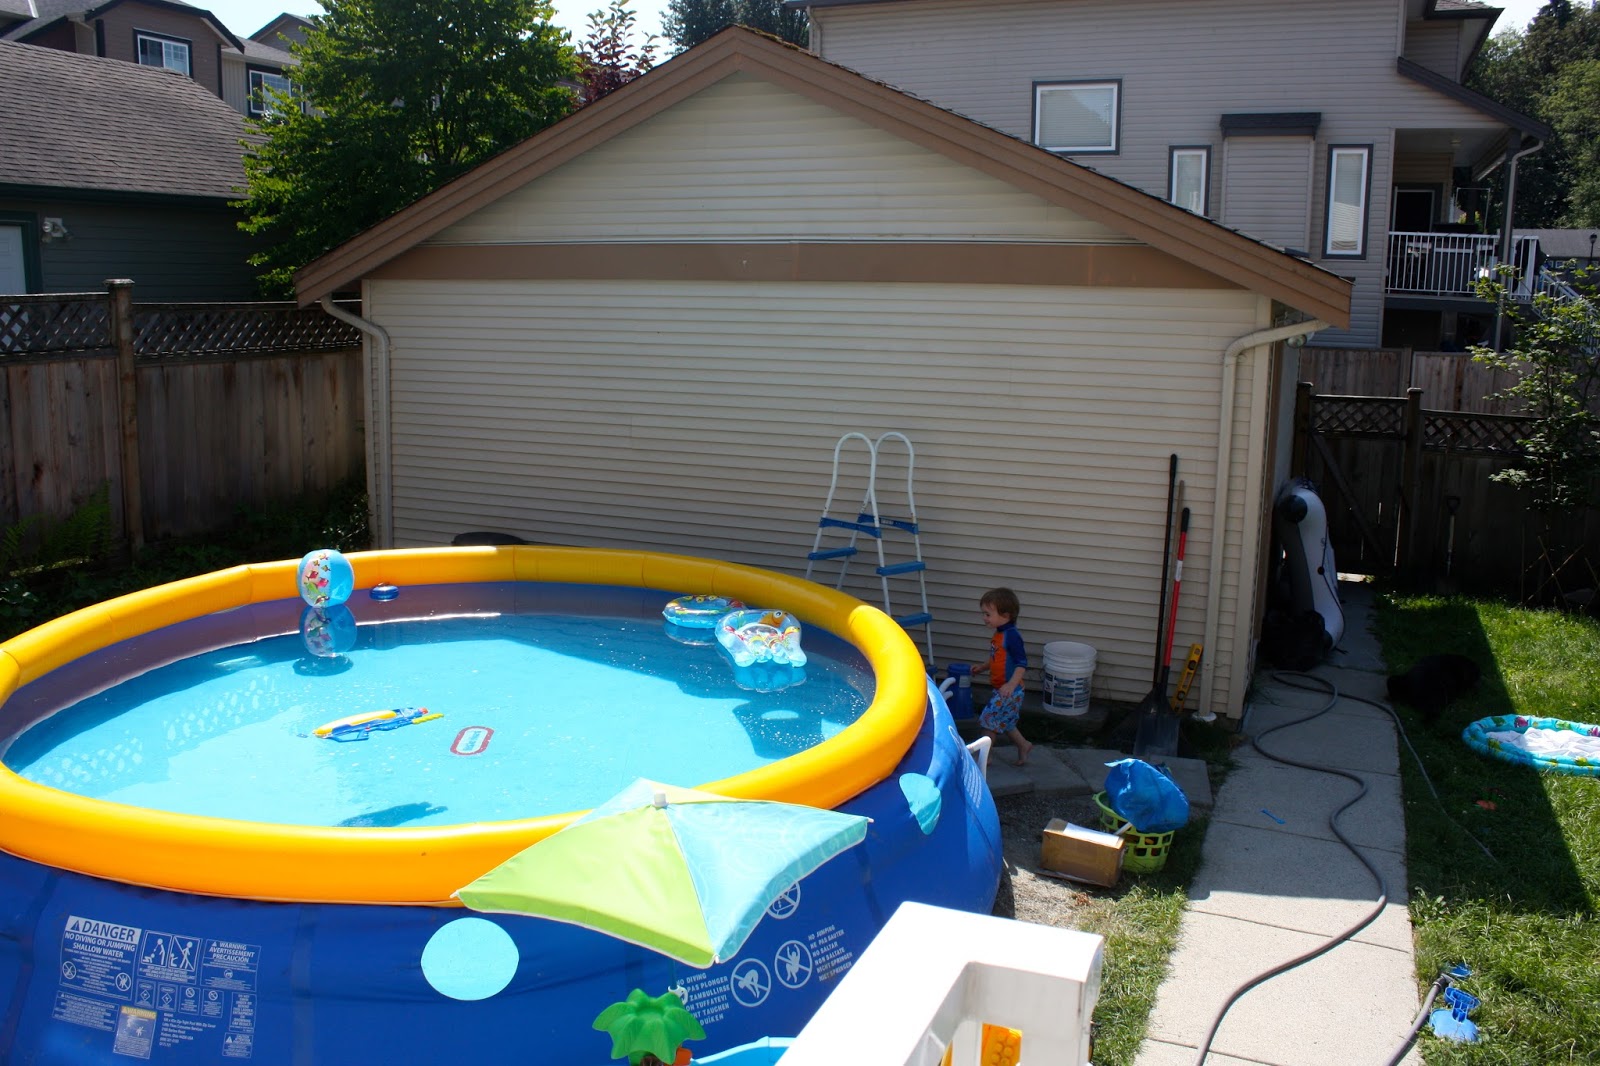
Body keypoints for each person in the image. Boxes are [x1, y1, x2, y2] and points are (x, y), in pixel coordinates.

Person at [976, 587, 1033, 766]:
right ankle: (1024, 745)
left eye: (988, 614)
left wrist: (1010, 685)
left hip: (1010, 690)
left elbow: (1021, 664)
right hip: (1004, 689)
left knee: (989, 720)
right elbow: (998, 658)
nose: (984, 618)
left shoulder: (1012, 636)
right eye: (984, 613)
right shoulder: (999, 634)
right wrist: (983, 667)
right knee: (1005, 722)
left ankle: (985, 757)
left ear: (1006, 615)